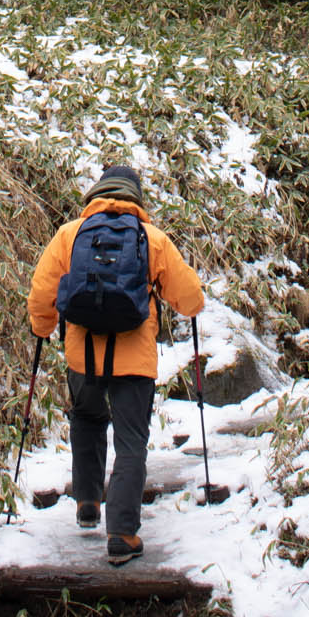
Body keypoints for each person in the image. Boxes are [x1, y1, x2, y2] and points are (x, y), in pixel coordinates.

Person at [27, 165, 204, 565]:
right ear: (136, 197)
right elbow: (190, 296)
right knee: (130, 443)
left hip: (82, 356)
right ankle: (122, 533)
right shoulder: (151, 238)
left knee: (87, 420)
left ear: (95, 194)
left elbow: (42, 293)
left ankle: (88, 502)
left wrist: (43, 327)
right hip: (134, 362)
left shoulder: (70, 235)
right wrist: (190, 305)